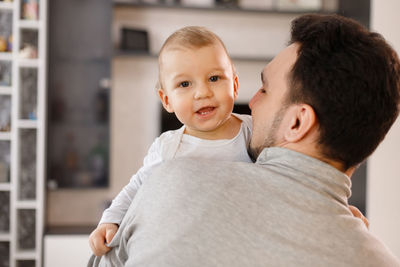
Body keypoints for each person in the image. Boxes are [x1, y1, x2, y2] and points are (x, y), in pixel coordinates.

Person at [88, 14, 400, 266]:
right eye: (185, 84)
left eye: (263, 90)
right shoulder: (375, 258)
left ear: (296, 122)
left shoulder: (171, 182)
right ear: (166, 98)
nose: (251, 104)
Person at [89, 26, 254, 256]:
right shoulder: (168, 148)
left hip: (240, 237)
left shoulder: (252, 130)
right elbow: (137, 186)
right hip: (191, 241)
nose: (202, 92)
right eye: (185, 84)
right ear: (167, 100)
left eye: (214, 78)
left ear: (234, 86)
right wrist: (110, 220)